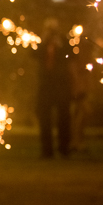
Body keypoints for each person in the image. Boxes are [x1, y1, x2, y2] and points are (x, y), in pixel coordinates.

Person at [36, 18, 72, 158]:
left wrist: (61, 46)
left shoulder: (64, 41)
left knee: (64, 117)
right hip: (46, 84)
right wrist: (43, 42)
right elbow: (33, 54)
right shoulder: (42, 42)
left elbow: (71, 56)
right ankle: (47, 150)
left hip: (61, 84)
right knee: (44, 117)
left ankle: (64, 148)